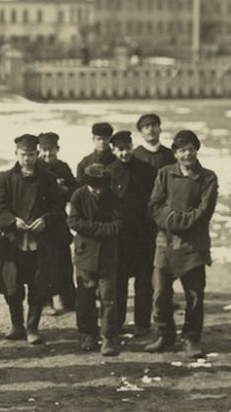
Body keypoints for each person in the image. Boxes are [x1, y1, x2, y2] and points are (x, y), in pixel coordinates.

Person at [146, 130, 218, 358]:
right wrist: (171, 220)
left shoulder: (208, 178)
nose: (188, 154)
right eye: (182, 150)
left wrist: (176, 221)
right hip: (165, 245)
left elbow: (203, 212)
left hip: (193, 246)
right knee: (160, 294)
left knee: (194, 297)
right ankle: (165, 335)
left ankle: (191, 339)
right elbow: (154, 206)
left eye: (191, 149)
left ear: (197, 150)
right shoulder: (165, 174)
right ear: (175, 154)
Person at [0, 134, 64, 345]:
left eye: (31, 155)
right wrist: (13, 221)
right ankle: (17, 325)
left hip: (39, 242)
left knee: (38, 286)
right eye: (23, 155)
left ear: (37, 154)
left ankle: (32, 327)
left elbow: (57, 208)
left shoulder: (47, 178)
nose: (27, 159)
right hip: (12, 241)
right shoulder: (5, 177)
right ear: (16, 154)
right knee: (12, 286)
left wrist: (46, 220)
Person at [67, 164, 123, 356]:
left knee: (108, 299)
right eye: (94, 187)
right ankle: (87, 333)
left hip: (107, 257)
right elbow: (73, 221)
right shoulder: (78, 196)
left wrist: (90, 228)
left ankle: (108, 337)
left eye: (102, 187)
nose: (98, 191)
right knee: (84, 298)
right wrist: (102, 229)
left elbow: (117, 226)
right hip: (85, 256)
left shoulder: (113, 198)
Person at [106, 130, 157, 336]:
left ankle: (143, 324)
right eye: (120, 150)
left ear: (132, 147)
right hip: (119, 237)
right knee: (118, 281)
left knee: (144, 282)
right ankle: (117, 323)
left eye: (127, 148)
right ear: (113, 150)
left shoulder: (146, 171)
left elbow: (154, 201)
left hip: (143, 236)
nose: (124, 153)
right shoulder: (108, 172)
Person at [37, 131, 78, 314]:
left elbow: (75, 190)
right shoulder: (35, 167)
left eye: (51, 150)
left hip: (59, 222)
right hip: (42, 223)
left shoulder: (62, 167)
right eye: (44, 150)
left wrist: (64, 189)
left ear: (57, 149)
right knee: (44, 263)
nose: (47, 155)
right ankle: (46, 302)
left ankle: (68, 299)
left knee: (64, 262)